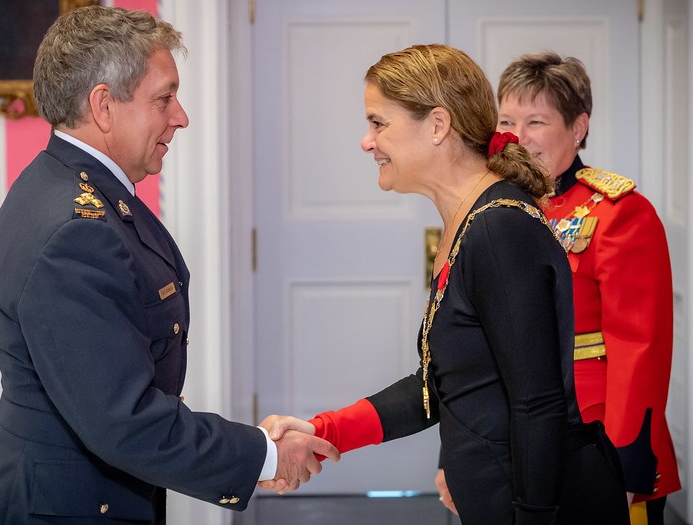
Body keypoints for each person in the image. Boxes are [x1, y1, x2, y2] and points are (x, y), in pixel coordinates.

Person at [0, 6, 338, 524]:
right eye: (164, 98)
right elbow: (123, 419)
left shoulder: (69, 185)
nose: (180, 116)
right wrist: (265, 455)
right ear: (104, 106)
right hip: (64, 505)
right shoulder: (79, 228)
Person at [261, 44, 630, 524]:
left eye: (378, 122)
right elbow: (440, 386)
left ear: (438, 125)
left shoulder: (500, 230)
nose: (366, 142)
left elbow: (537, 403)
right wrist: (322, 429)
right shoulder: (471, 223)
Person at [463, 50, 675, 524]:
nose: (516, 136)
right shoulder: (494, 209)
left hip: (592, 435)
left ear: (578, 128)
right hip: (510, 436)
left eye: (536, 121)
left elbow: (640, 349)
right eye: (507, 119)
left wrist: (622, 461)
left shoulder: (619, 213)